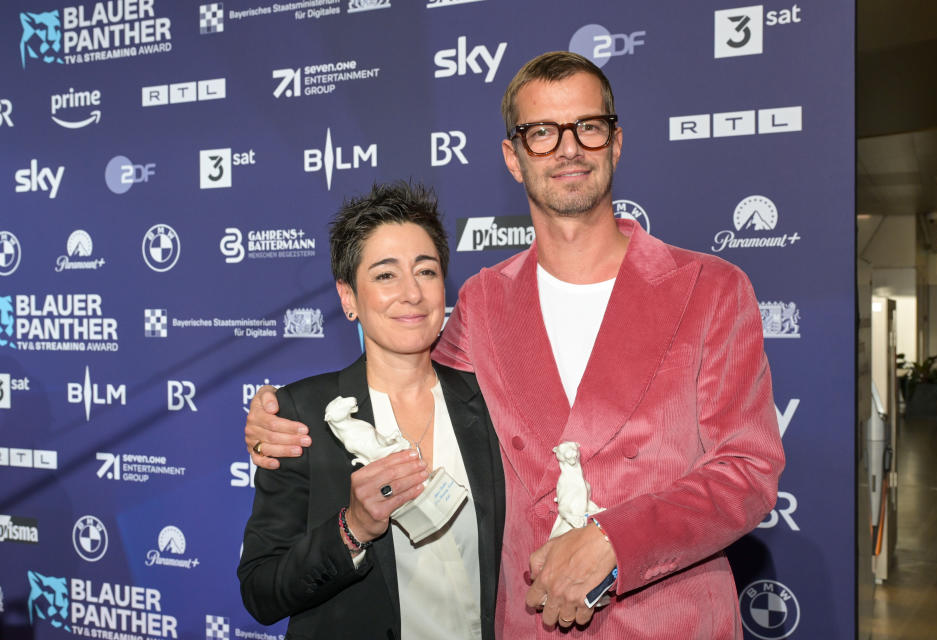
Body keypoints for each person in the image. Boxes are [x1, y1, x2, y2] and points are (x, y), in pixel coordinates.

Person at [245, 52, 785, 638]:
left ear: (616, 141)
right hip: (529, 622)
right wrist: (282, 422)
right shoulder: (482, 302)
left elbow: (747, 470)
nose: (568, 148)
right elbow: (411, 389)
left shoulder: (711, 289)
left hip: (670, 619)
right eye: (542, 133)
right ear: (513, 155)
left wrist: (614, 542)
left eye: (588, 127)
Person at [237, 182, 505, 640]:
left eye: (426, 271)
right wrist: (353, 528)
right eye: (385, 275)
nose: (412, 293)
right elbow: (261, 591)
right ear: (348, 297)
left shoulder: (490, 403)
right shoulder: (299, 416)